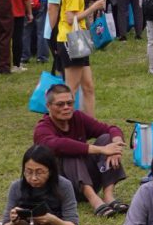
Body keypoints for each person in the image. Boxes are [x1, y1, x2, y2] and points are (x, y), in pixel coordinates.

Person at [33, 83, 128, 217]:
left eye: (69, 103)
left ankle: (108, 196)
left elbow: (110, 129)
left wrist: (116, 144)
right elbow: (59, 145)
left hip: (86, 178)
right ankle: (95, 201)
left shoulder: (77, 117)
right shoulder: (42, 129)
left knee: (107, 138)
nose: (66, 107)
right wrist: (101, 150)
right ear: (48, 107)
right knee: (71, 152)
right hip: (61, 186)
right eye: (60, 104)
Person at [56, 0, 107, 117]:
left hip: (78, 39)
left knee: (88, 86)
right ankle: (64, 123)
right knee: (71, 88)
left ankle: (90, 123)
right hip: (71, 40)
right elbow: (71, 18)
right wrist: (93, 7)